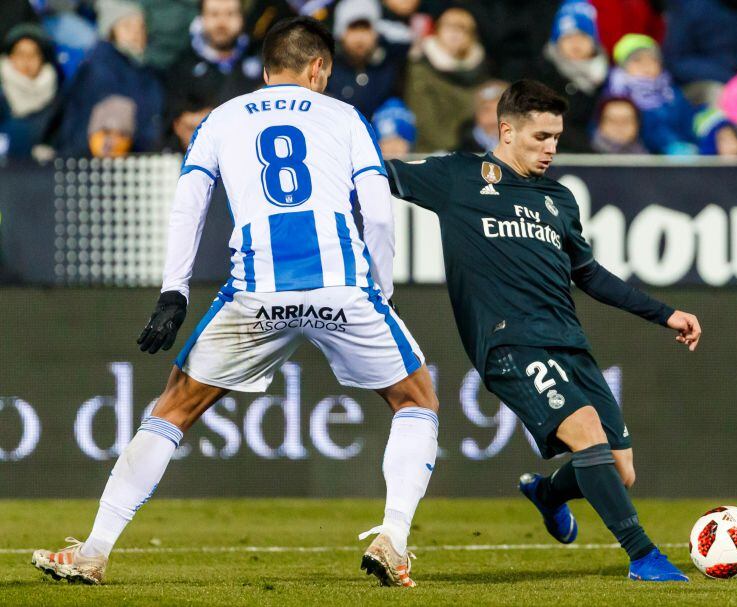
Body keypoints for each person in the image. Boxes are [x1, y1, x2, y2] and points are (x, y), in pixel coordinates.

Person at [31, 17, 440, 589]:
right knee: (415, 399)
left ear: (266, 69)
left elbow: (188, 204)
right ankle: (393, 538)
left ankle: (95, 551)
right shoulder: (346, 116)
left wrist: (174, 289)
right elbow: (375, 211)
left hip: (257, 290)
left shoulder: (222, 118)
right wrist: (382, 291)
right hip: (342, 287)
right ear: (319, 68)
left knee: (173, 409)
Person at [386, 79, 702, 582]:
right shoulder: (459, 177)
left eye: (556, 137)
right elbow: (373, 174)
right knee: (589, 437)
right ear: (505, 130)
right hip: (509, 341)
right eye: (540, 138)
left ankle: (546, 492)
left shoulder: (558, 199)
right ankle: (644, 556)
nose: (551, 148)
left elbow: (590, 275)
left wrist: (664, 313)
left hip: (568, 341)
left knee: (620, 470)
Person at [54, 0, 164, 156]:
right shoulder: (99, 70)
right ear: (111, 31)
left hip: (138, 159)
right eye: (127, 26)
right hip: (101, 166)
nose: (136, 34)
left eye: (141, 27)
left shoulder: (146, 71)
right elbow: (86, 134)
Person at [404, 6, 488, 152]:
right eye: (449, 27)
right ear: (437, 30)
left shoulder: (480, 69)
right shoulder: (421, 68)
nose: (455, 33)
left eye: (463, 28)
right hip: (433, 153)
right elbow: (424, 120)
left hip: (472, 152)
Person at [533, 0, 609, 153]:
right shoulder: (543, 79)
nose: (576, 44)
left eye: (582, 36)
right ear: (556, 42)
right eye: (568, 37)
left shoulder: (608, 77)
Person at [604, 33, 696, 155]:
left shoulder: (671, 93)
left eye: (653, 60)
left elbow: (687, 122)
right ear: (623, 66)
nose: (646, 66)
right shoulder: (616, 94)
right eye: (638, 61)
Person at [168, 0, 262, 109]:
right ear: (201, 17)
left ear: (242, 17)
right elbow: (176, 119)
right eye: (214, 14)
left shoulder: (262, 58)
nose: (222, 23)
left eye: (230, 14)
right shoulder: (181, 67)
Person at [326, 0, 407, 119]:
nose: (360, 38)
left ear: (376, 32)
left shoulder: (391, 64)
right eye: (353, 28)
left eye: (365, 28)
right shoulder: (328, 69)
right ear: (341, 33)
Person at [0, 24, 62, 159]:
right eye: (20, 53)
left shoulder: (58, 103)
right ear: (10, 57)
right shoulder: (2, 98)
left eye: (33, 54)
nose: (26, 60)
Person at [455, 79, 507, 153]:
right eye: (487, 111)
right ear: (476, 114)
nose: (494, 118)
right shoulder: (458, 155)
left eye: (502, 110)